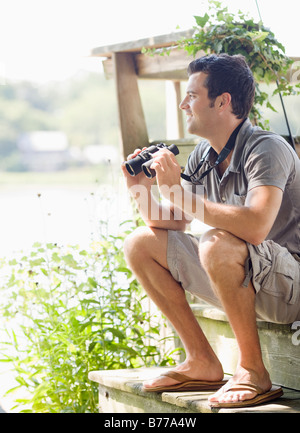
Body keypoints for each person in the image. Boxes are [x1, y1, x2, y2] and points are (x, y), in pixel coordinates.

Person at [121, 53, 300, 408]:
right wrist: (138, 187)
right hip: (249, 280)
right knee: (140, 244)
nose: (183, 103)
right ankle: (201, 360)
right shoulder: (206, 154)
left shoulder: (267, 149)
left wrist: (178, 193)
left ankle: (252, 371)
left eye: (191, 95)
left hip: (291, 284)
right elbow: (169, 220)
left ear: (223, 102)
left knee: (216, 242)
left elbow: (255, 225)